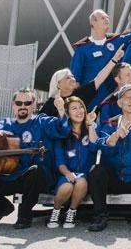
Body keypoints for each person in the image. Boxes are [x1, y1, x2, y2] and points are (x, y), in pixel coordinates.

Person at [0, 89, 70, 228]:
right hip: (8, 175)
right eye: (19, 102)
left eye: (27, 103)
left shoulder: (42, 122)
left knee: (36, 172)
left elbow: (63, 129)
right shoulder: (6, 124)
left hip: (33, 179)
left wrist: (61, 109)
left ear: (34, 105)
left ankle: (24, 215)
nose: (23, 106)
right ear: (13, 105)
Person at [88, 84, 131, 232]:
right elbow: (100, 147)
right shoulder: (111, 123)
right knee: (96, 170)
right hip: (116, 176)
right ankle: (100, 215)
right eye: (127, 98)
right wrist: (114, 137)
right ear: (119, 103)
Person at [47, 96, 98, 229]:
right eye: (74, 108)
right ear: (68, 113)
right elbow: (60, 161)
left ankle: (72, 212)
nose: (79, 111)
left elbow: (94, 147)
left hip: (84, 175)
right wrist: (68, 174)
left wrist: (91, 125)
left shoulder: (91, 128)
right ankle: (56, 210)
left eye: (81, 107)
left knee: (81, 182)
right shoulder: (62, 134)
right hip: (66, 173)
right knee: (67, 187)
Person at [70, 10, 131, 108]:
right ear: (93, 22)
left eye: (107, 18)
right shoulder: (82, 48)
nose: (107, 20)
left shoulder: (115, 41)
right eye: (103, 18)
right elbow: (75, 79)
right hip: (90, 100)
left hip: (112, 98)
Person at [42, 45, 124, 117]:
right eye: (67, 78)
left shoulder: (80, 94)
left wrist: (114, 59)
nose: (72, 79)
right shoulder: (50, 103)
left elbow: (99, 79)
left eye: (72, 77)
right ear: (58, 84)